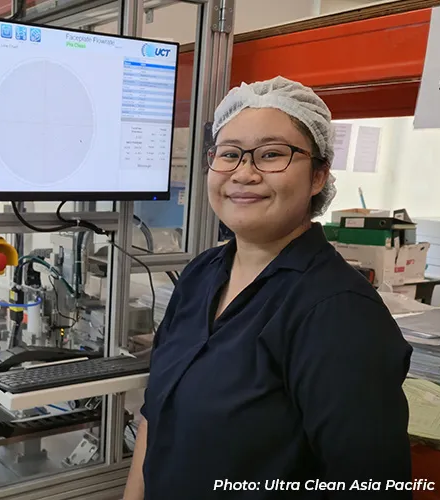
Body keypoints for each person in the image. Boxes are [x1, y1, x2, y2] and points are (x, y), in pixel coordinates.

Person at [124, 76, 413, 499]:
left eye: (272, 154)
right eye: (229, 154)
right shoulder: (201, 274)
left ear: (318, 176)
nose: (244, 173)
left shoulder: (338, 313)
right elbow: (156, 413)